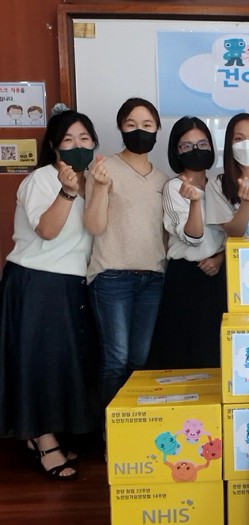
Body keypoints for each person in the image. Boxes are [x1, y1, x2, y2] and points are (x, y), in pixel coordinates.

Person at [0, 107, 101, 480]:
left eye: (85, 138)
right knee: (37, 364)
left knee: (62, 364)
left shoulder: (95, 182)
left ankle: (48, 434)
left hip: (72, 283)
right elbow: (46, 230)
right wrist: (67, 192)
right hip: (36, 281)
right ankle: (43, 441)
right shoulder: (41, 179)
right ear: (55, 147)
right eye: (68, 140)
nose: (78, 145)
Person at [84, 97, 169, 410]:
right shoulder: (103, 169)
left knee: (139, 359)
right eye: (131, 124)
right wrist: (101, 186)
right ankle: (109, 428)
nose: (140, 131)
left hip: (153, 278)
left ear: (157, 129)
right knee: (116, 360)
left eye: (147, 125)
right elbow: (94, 226)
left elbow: (165, 234)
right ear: (121, 127)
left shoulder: (163, 179)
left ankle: (132, 425)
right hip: (112, 276)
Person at [149, 117, 226, 369]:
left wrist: (219, 259)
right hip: (185, 277)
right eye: (187, 146)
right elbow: (193, 238)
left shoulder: (219, 185)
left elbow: (233, 233)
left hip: (218, 274)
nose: (196, 150)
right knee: (184, 351)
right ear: (177, 151)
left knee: (216, 349)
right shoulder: (174, 188)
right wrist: (194, 202)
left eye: (202, 144)